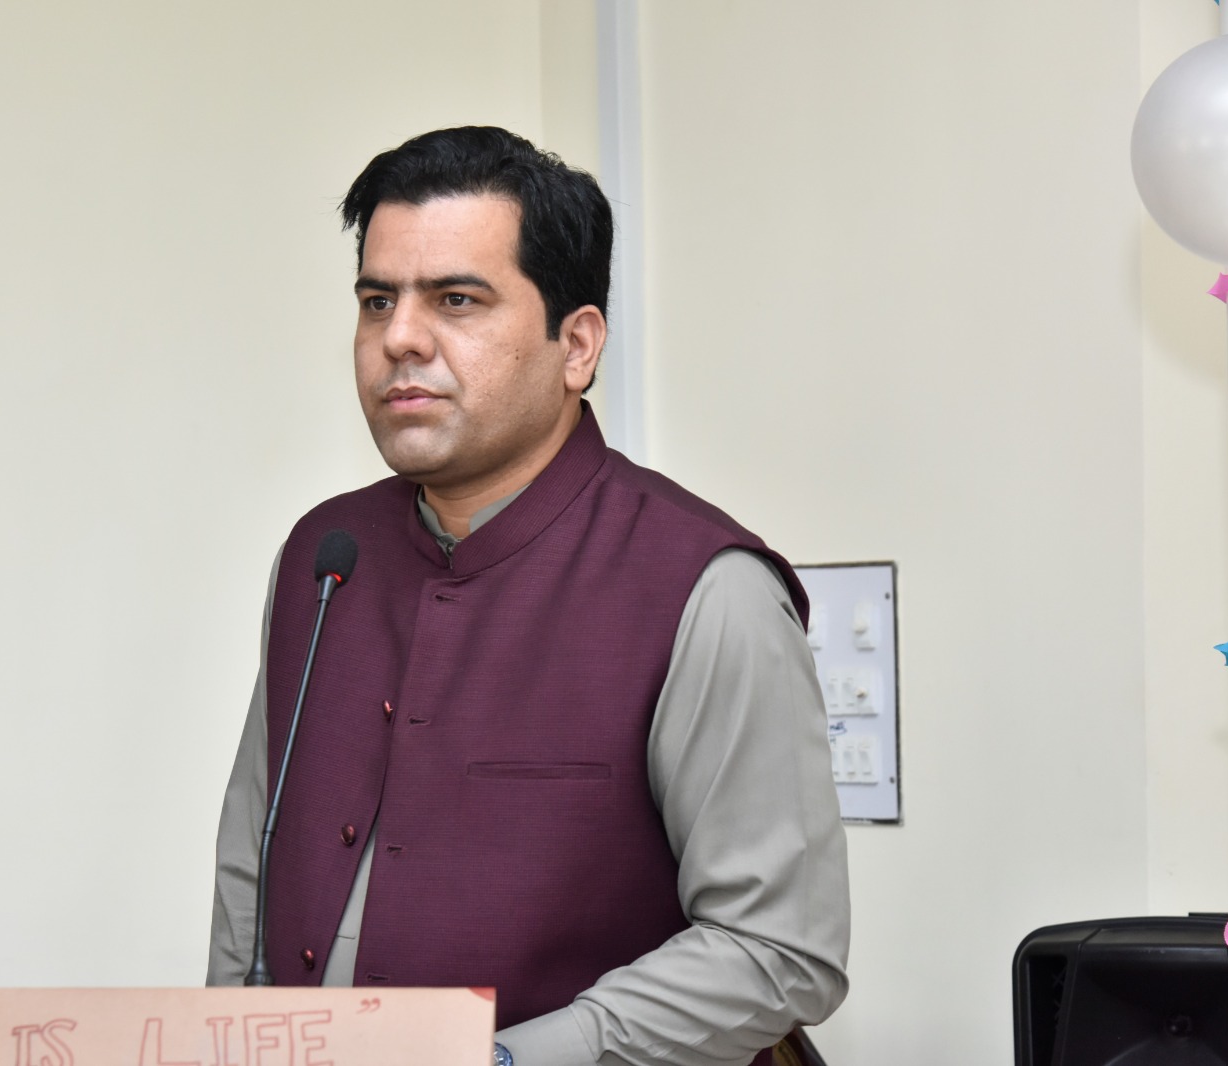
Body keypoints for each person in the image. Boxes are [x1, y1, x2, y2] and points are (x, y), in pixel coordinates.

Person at [208, 126, 848, 1066]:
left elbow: (778, 952)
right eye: (377, 301)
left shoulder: (704, 589)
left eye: (456, 300)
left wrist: (514, 1061)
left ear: (575, 344)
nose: (399, 339)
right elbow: (251, 862)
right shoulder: (325, 556)